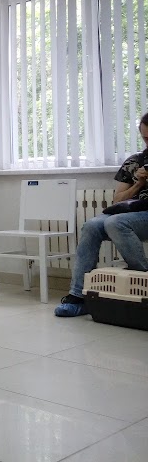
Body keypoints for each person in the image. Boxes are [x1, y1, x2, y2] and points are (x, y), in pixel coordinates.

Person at [55, 113, 148, 317]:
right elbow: (118, 200)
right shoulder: (135, 162)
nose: (147, 143)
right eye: (145, 138)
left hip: (134, 218)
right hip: (131, 212)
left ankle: (143, 277)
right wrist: (139, 184)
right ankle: (78, 296)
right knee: (91, 225)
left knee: (116, 222)